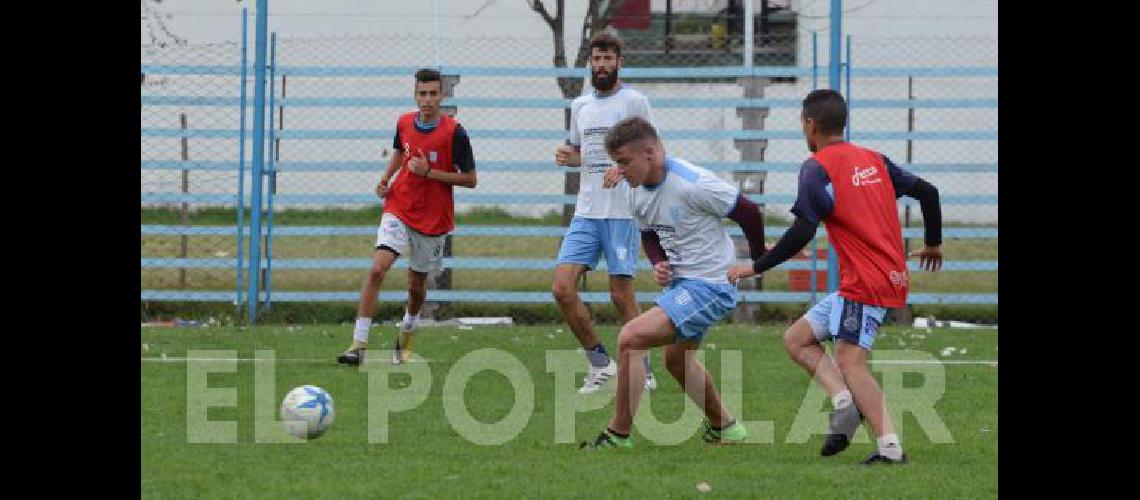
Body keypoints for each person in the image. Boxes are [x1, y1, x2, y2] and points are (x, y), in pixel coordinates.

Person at [728, 89, 943, 465]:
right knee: (797, 340)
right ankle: (846, 403)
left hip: (866, 283)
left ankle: (890, 449)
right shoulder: (874, 160)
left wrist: (756, 265)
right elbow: (928, 192)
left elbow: (804, 228)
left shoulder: (818, 167)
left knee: (850, 360)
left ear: (810, 125)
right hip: (874, 279)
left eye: (802, 124)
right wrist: (933, 244)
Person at [580, 117, 768, 449]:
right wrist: (658, 263)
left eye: (624, 162)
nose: (620, 171)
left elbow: (749, 212)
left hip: (711, 285)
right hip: (683, 286)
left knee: (631, 337)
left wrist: (757, 260)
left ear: (649, 152)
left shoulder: (694, 183)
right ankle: (725, 427)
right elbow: (649, 232)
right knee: (676, 361)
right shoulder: (636, 190)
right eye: (616, 164)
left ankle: (617, 435)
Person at [337, 68, 477, 366]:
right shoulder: (403, 122)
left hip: (432, 220)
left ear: (442, 96)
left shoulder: (455, 133)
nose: (427, 100)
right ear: (415, 95)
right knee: (377, 269)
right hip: (399, 205)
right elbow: (401, 152)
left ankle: (408, 332)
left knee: (415, 287)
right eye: (422, 94)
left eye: (433, 94)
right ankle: (357, 344)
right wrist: (386, 177)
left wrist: (430, 173)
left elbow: (470, 179)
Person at [552, 33, 658, 394]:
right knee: (562, 288)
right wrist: (571, 157)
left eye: (608, 59)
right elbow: (585, 154)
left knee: (620, 295)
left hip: (622, 213)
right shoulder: (580, 105)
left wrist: (625, 169)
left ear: (619, 62)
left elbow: (653, 153)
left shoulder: (635, 101)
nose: (601, 65)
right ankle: (600, 363)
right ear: (590, 63)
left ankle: (644, 370)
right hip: (586, 212)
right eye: (596, 59)